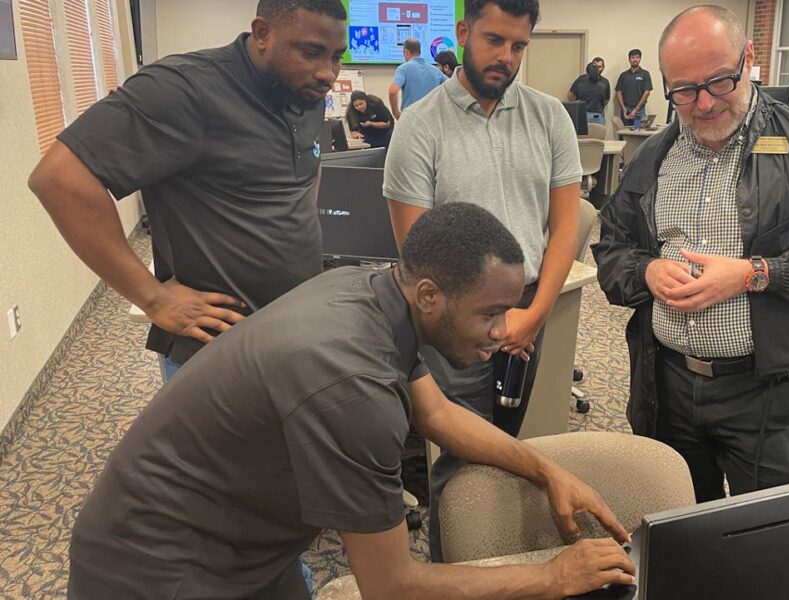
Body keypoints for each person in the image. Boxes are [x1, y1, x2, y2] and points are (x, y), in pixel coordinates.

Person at [66, 203, 634, 600]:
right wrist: (552, 578)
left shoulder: (380, 294)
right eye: (489, 313)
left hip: (238, 540)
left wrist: (546, 469)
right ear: (431, 296)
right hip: (155, 567)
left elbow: (436, 414)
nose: (503, 331)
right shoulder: (351, 385)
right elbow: (392, 587)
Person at [592, 6, 789, 503]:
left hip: (764, 391)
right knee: (682, 532)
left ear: (747, 58)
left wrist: (755, 274)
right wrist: (648, 269)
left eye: (719, 82)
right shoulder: (654, 157)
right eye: (684, 90)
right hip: (667, 386)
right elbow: (611, 247)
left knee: (768, 543)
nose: (703, 104)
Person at [28, 0, 347, 382]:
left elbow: (306, 171)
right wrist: (152, 298)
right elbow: (59, 178)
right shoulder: (183, 89)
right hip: (215, 350)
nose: (327, 73)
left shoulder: (304, 90)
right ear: (262, 33)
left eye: (336, 56)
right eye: (311, 52)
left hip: (291, 332)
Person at [382, 0, 582, 561]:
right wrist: (484, 324)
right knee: (461, 462)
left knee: (507, 451)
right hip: (453, 326)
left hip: (527, 316)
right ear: (465, 32)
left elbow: (566, 225)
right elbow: (417, 252)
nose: (505, 57)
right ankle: (455, 573)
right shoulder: (420, 126)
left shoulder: (549, 117)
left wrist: (535, 312)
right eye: (494, 40)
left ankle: (498, 565)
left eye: (518, 45)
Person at [388, 37, 448, 118]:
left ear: (406, 52)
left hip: (410, 119)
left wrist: (396, 113)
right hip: (431, 119)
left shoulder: (403, 69)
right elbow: (453, 86)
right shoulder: (436, 71)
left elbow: (393, 91)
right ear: (420, 51)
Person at [615, 48, 653, 127]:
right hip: (626, 110)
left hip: (639, 111)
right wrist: (623, 108)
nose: (635, 59)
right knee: (625, 134)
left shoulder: (645, 74)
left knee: (638, 133)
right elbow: (618, 92)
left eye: (637, 57)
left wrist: (636, 109)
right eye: (632, 57)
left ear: (640, 59)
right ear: (629, 59)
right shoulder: (623, 75)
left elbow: (647, 92)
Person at [568, 60, 611, 125]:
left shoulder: (581, 82)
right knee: (598, 134)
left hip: (582, 114)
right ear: (597, 71)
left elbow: (570, 95)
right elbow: (605, 100)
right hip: (597, 115)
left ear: (587, 72)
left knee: (582, 135)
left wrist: (580, 103)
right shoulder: (603, 86)